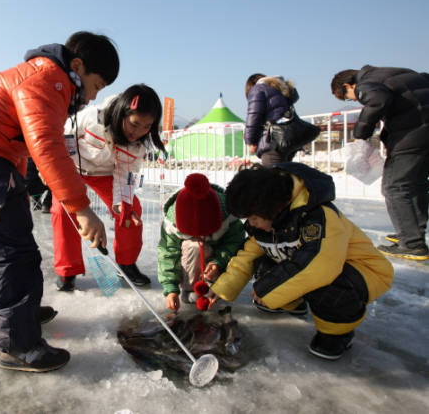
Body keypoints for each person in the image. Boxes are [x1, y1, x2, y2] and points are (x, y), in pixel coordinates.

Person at [0, 31, 119, 372]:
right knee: (10, 254)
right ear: (78, 65)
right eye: (96, 86)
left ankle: (21, 317)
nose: (93, 96)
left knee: (19, 247)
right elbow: (46, 146)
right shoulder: (48, 79)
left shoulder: (48, 77)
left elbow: (21, 140)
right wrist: (81, 209)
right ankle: (16, 344)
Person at [207, 163, 393, 360]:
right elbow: (247, 256)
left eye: (253, 218)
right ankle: (293, 303)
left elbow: (320, 265)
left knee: (325, 287)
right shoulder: (269, 223)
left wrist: (268, 288)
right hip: (317, 267)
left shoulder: (318, 216)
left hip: (361, 272)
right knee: (262, 263)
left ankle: (337, 333)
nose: (251, 224)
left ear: (271, 207)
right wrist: (223, 287)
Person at [53, 84, 165, 291]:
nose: (138, 132)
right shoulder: (91, 117)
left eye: (147, 126)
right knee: (62, 212)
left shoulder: (137, 145)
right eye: (134, 124)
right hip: (72, 169)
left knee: (131, 211)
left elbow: (126, 176)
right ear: (122, 113)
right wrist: (57, 171)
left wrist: (123, 203)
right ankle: (67, 270)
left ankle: (126, 262)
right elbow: (63, 136)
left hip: (105, 175)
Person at [331, 66, 429, 261]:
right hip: (423, 133)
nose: (356, 100)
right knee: (416, 185)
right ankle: (411, 232)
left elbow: (377, 100)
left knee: (395, 187)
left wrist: (360, 134)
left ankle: (411, 243)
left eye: (350, 97)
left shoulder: (367, 83)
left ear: (348, 85)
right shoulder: (396, 73)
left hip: (411, 135)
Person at [157, 173, 246, 312]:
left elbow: (235, 244)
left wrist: (218, 262)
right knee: (193, 246)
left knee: (206, 248)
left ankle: (214, 284)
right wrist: (170, 289)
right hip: (191, 260)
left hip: (220, 260)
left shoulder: (228, 215)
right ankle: (191, 287)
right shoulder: (171, 221)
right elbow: (168, 253)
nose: (201, 237)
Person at [244, 74, 302, 167]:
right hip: (289, 141)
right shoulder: (279, 89)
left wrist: (251, 141)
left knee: (273, 176)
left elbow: (254, 116)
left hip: (273, 142)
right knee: (285, 174)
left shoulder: (258, 89)